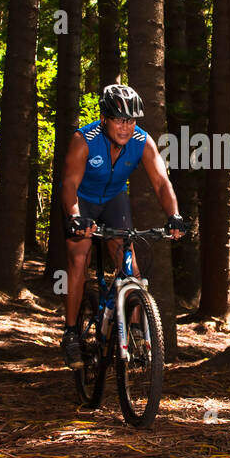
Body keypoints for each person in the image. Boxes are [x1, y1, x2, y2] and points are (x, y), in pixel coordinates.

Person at [60, 84, 185, 368]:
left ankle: (137, 335)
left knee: (132, 269)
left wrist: (174, 215)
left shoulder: (142, 141)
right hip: (82, 200)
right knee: (80, 259)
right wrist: (75, 216)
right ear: (105, 118)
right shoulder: (85, 139)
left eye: (131, 120)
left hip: (115, 200)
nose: (126, 127)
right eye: (119, 119)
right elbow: (69, 183)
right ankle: (70, 334)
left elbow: (161, 182)